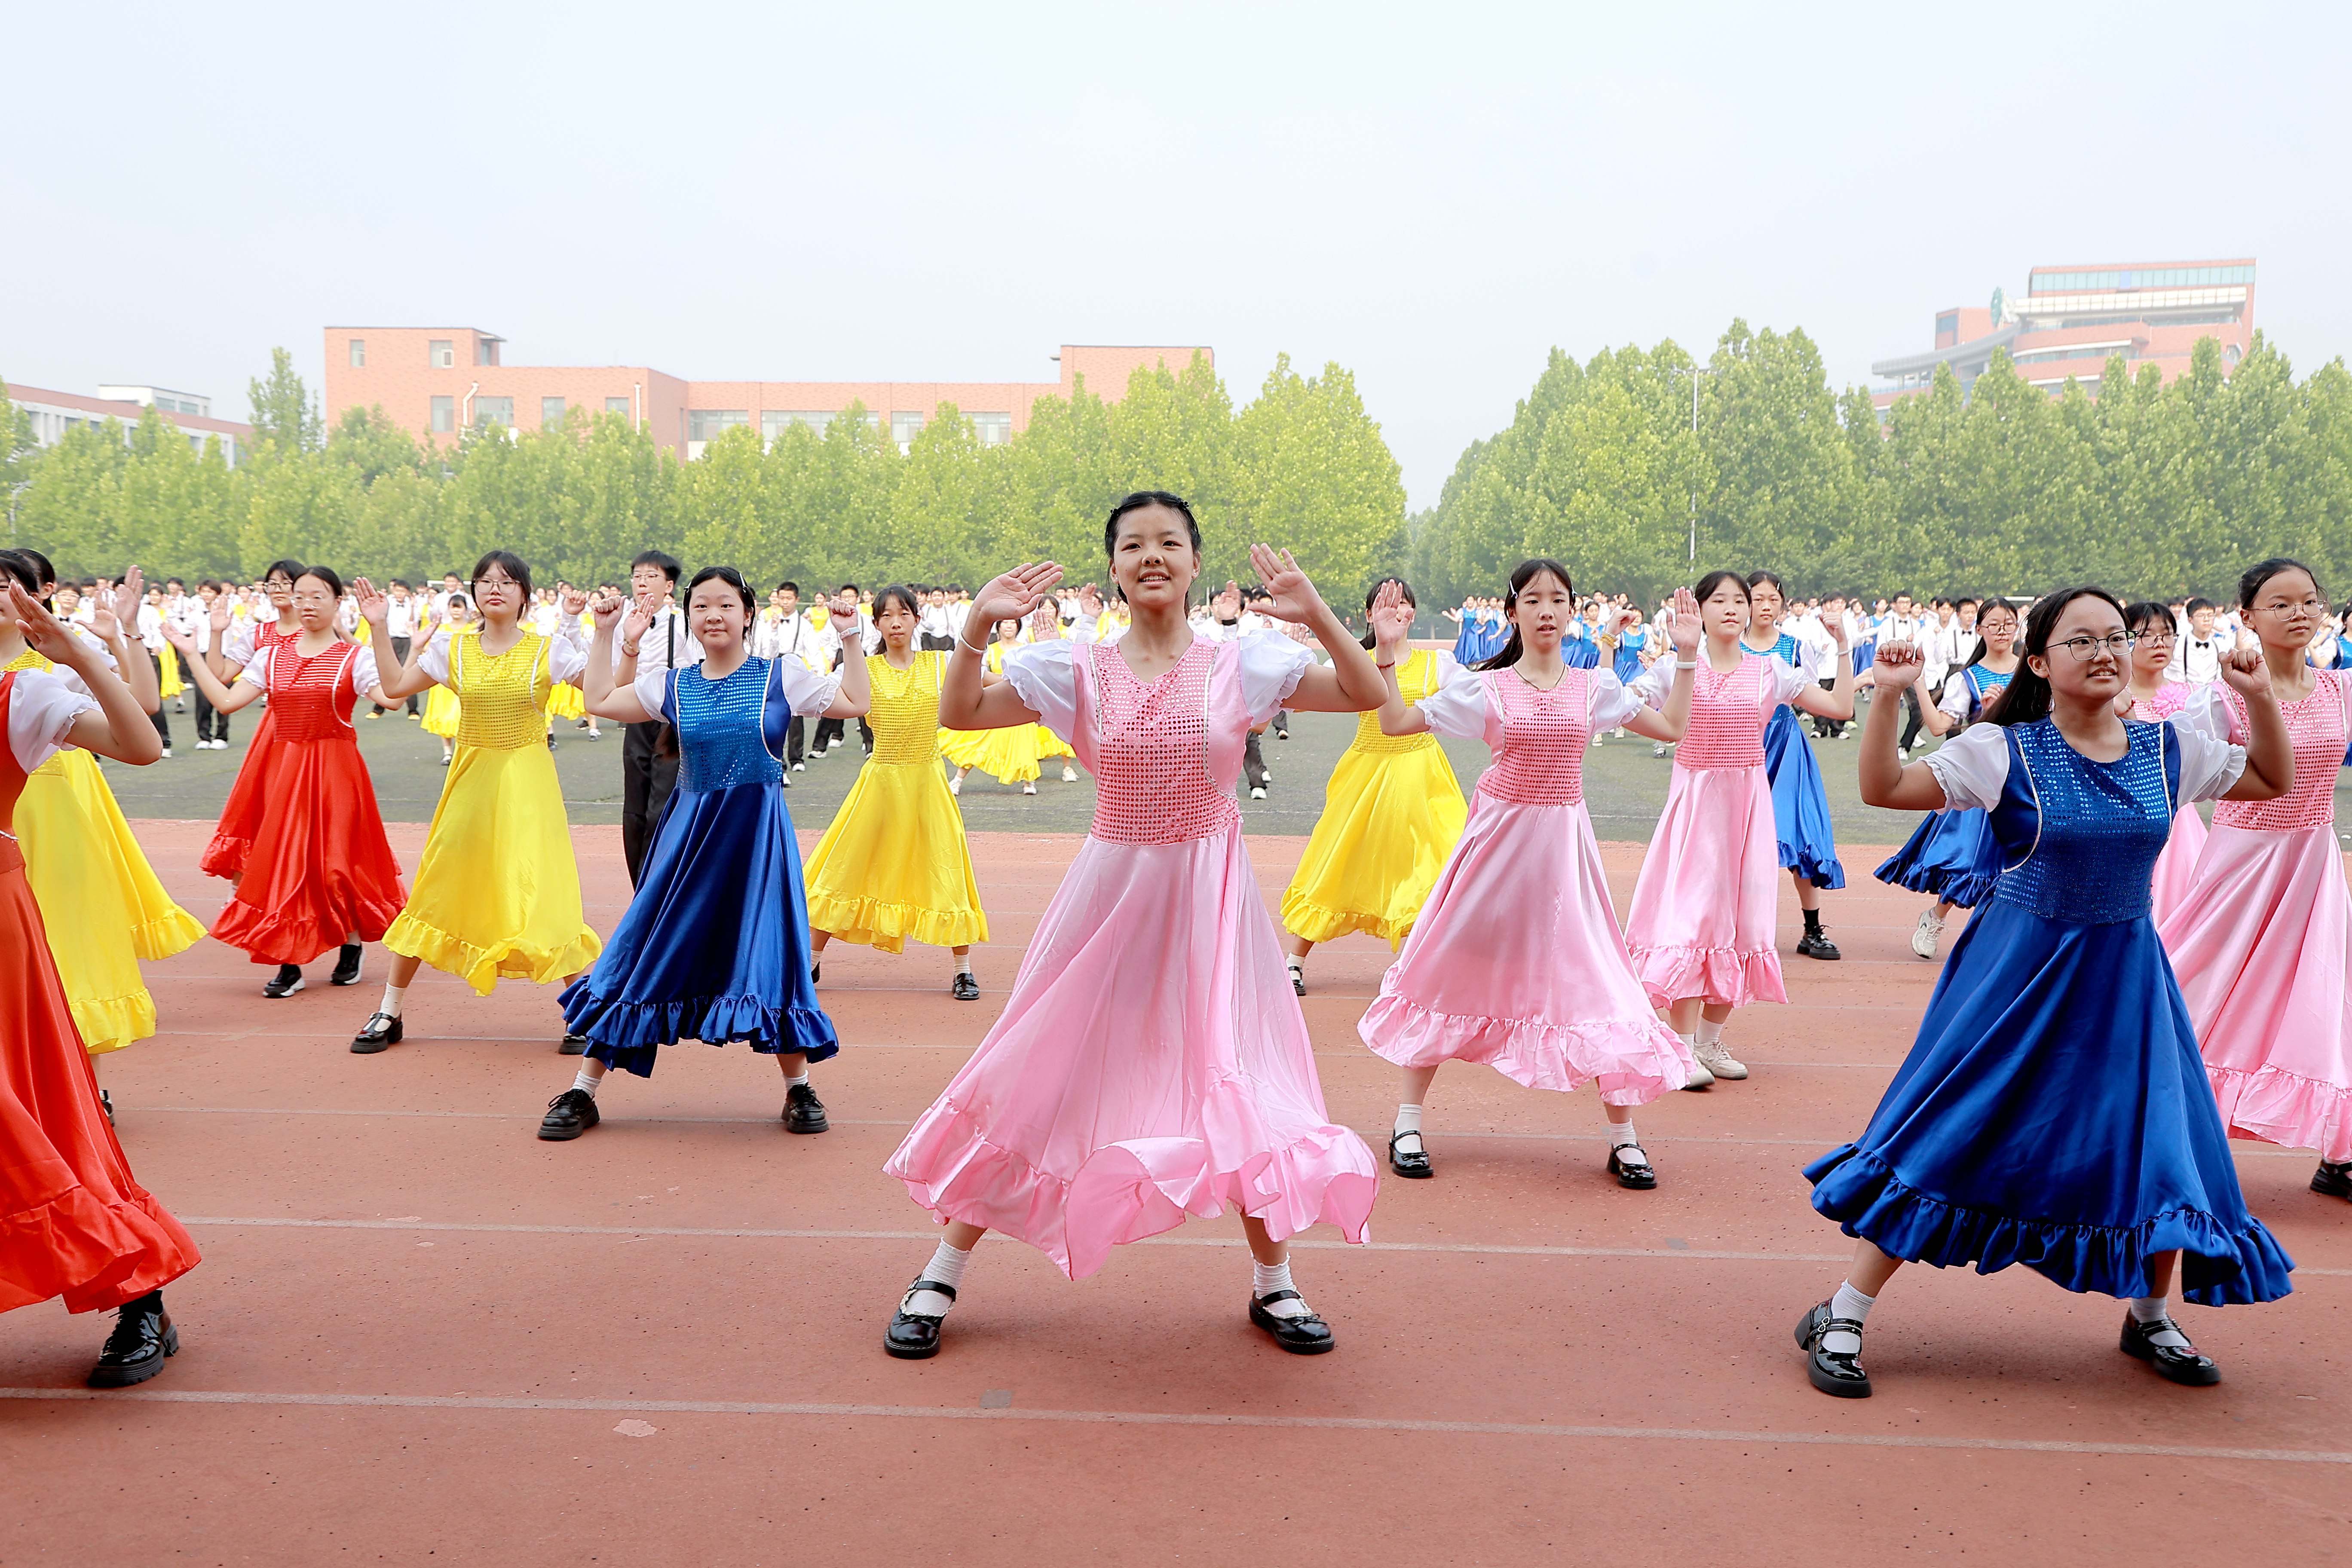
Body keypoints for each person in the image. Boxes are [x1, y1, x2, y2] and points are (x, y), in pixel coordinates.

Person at [879, 494, 1388, 1360]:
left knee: (1237, 1076)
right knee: (1043, 1071)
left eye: (1169, 542)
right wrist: (976, 625)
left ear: (1195, 563)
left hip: (1210, 910)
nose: (1153, 555)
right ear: (1112, 568)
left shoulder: (1241, 663)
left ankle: (1275, 1282)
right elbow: (959, 714)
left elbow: (1365, 693)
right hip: (1108, 903)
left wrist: (1318, 616)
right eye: (1134, 545)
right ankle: (940, 1270)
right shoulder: (1076, 668)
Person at [1799, 590, 2294, 1400]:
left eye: (2114, 637)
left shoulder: (2170, 748)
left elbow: (2274, 778)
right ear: (2039, 661)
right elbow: (1884, 788)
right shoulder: (2003, 751)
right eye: (2080, 640)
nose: (2104, 652)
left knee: (2157, 1139)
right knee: (1955, 1128)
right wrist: (1887, 694)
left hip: (2127, 980)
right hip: (2017, 978)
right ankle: (1843, 1310)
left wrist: (2260, 696)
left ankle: (2149, 1315)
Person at [1358, 565, 1700, 1186]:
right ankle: (1407, 1122)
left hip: (1565, 858)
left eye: (1558, 600)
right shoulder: (1486, 688)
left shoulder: (1594, 688)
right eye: (1534, 600)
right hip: (1494, 851)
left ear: (1572, 613)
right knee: (1442, 967)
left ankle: (1623, 1137)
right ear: (1513, 613)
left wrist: (1686, 655)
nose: (1547, 610)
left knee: (1602, 982)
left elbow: (1672, 728)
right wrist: (1385, 654)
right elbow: (1396, 722)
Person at [539, 571, 870, 1140]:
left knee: (772, 955)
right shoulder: (672, 685)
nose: (713, 615)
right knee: (645, 949)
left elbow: (856, 701)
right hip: (688, 843)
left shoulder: (781, 676)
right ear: (689, 616)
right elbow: (598, 700)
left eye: (725, 604)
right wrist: (606, 633)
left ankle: (799, 1088)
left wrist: (850, 637)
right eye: (701, 606)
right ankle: (583, 1089)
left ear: (748, 614)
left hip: (757, 847)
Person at [0, 567, 199, 1387]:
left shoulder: (23, 694)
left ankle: (138, 1288)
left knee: (37, 1108)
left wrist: (82, 654)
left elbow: (142, 744)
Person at [346, 558, 601, 1052]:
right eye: (485, 581)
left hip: (529, 789)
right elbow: (394, 689)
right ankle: (389, 1010)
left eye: (506, 582)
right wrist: (377, 626)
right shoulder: (452, 648)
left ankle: (581, 1016)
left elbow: (600, 693)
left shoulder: (548, 650)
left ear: (525, 593)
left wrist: (611, 636)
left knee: (543, 889)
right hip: (470, 785)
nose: (494, 589)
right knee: (436, 886)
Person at [2158, 559, 2352, 1197]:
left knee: (2323, 999)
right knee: (2197, 986)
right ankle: (2147, 1124)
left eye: (2310, 601)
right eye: (2281, 604)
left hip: (2313, 866)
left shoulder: (2342, 690)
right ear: (2248, 617)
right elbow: (2172, 769)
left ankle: (2341, 1154)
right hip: (2243, 866)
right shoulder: (2221, 696)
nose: (2300, 613)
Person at [1622, 571, 1850, 1087]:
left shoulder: (1770, 671)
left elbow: (1840, 708)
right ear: (1699, 611)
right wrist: (1623, 644)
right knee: (1691, 924)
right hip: (1696, 816)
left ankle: (1709, 1041)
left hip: (1748, 814)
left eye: (1739, 600)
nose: (1732, 608)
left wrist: (1842, 646)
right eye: (1719, 600)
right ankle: (1681, 1048)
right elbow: (1624, 702)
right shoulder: (1677, 667)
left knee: (1743, 924)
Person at [0, 560, 204, 1077]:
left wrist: (113, 639)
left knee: (65, 948)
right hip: (20, 821)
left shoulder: (40, 680)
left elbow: (144, 712)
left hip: (53, 819)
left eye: (4, 587)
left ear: (36, 596)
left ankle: (81, 1084)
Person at [167, 565, 407, 999]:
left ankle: (351, 945)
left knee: (339, 864)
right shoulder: (271, 657)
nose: (307, 604)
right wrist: (191, 655)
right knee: (289, 863)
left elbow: (393, 698)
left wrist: (379, 628)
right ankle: (288, 960)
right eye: (301, 596)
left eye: (318, 596)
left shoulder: (355, 658)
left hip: (339, 775)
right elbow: (226, 701)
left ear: (338, 602)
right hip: (288, 774)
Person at [1278, 577, 1468, 995]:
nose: (1398, 611)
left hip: (1423, 779)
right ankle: (1294, 960)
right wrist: (1288, 656)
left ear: (1413, 612)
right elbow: (1303, 697)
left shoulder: (1439, 665)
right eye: (1387, 604)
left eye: (1404, 603)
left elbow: (1476, 697)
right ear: (1369, 614)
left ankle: (1421, 965)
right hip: (1365, 776)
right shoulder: (1357, 662)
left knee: (1437, 865)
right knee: (1337, 859)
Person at [802, 585, 990, 998]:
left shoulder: (942, 664)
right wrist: (847, 635)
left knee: (947, 865)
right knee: (847, 864)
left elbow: (998, 684)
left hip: (928, 783)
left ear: (917, 620)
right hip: (881, 783)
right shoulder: (864, 670)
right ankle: (810, 961)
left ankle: (963, 969)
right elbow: (821, 696)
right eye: (886, 616)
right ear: (876, 624)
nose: (896, 623)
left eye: (904, 614)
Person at [1876, 600, 2022, 960]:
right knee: (1970, 859)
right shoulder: (1966, 679)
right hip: (1984, 778)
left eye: (2009, 624)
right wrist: (1920, 683)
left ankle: (2004, 940)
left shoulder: (2032, 672)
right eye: (1994, 624)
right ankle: (1936, 918)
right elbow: (1940, 726)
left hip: (2026, 778)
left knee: (2023, 863)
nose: (2002, 631)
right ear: (1980, 630)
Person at [1744, 571, 1844, 961]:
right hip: (1740, 745)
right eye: (1758, 598)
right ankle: (1738, 928)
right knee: (1738, 838)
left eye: (1773, 599)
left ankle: (1812, 929)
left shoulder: (1796, 648)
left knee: (1798, 833)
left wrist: (1844, 649)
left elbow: (1818, 699)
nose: (1766, 606)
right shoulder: (1729, 646)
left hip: (1785, 747)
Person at [2116, 602, 2205, 923]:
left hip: (2182, 820)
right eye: (2147, 636)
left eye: (2166, 635)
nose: (2160, 644)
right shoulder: (2113, 698)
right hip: (2131, 816)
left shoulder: (2193, 696)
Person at [618, 550, 684, 887]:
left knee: (662, 806)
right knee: (635, 809)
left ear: (668, 586)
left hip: (672, 721)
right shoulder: (619, 623)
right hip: (635, 715)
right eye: (637, 577)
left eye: (651, 577)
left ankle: (655, 888)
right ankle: (639, 888)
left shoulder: (684, 624)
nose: (642, 583)